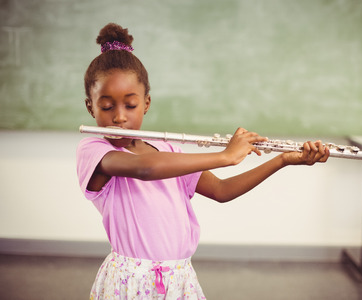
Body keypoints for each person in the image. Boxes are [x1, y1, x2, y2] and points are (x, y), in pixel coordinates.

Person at [76, 23, 329, 299]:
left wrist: (282, 160)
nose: (120, 117)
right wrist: (225, 156)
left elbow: (221, 191)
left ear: (146, 103)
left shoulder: (166, 149)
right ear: (91, 106)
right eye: (107, 106)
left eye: (131, 105)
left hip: (179, 280)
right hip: (130, 283)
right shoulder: (94, 151)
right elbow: (145, 168)